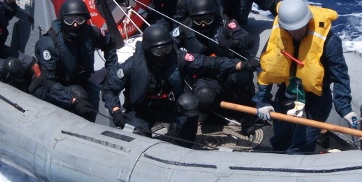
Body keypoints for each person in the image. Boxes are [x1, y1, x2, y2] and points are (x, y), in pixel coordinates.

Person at [102, 24, 260, 146]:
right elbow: (110, 89)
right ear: (148, 50)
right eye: (158, 51)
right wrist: (115, 110)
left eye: (167, 49)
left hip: (168, 105)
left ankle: (184, 146)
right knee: (138, 137)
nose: (164, 55)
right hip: (142, 110)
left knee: (189, 105)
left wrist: (241, 65)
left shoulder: (178, 58)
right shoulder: (131, 66)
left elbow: (210, 63)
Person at [253, 0, 358, 154]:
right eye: (291, 29)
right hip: (288, 94)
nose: (296, 32)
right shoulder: (278, 37)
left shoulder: (329, 42)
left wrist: (345, 109)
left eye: (299, 28)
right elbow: (266, 67)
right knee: (282, 140)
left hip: (315, 101)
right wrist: (263, 100)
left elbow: (340, 75)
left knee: (300, 147)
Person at [172, 0, 258, 135]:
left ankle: (247, 117)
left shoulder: (226, 24)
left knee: (243, 75)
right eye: (199, 21)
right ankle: (213, 113)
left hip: (228, 72)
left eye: (207, 20)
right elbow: (171, 44)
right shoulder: (185, 29)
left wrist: (233, 42)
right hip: (205, 77)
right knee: (204, 96)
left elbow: (246, 38)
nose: (203, 25)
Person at [30, 0, 118, 121]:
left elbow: (109, 42)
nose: (75, 25)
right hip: (53, 87)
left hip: (77, 80)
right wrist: (73, 100)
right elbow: (48, 82)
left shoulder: (90, 34)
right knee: (79, 94)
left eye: (80, 20)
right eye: (69, 21)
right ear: (62, 20)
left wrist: (112, 69)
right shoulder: (49, 45)